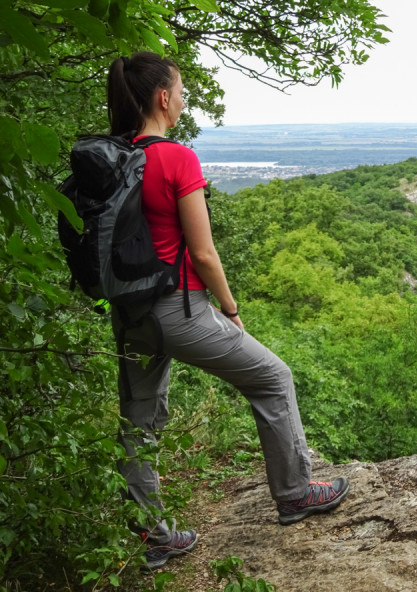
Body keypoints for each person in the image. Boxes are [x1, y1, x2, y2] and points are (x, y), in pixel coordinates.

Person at [106, 51, 349, 570]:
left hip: (129, 313)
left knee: (139, 422)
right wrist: (231, 309)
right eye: (182, 91)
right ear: (162, 98)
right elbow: (204, 253)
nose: (184, 100)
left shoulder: (116, 157)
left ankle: (154, 537)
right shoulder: (175, 158)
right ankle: (294, 493)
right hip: (180, 311)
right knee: (273, 377)